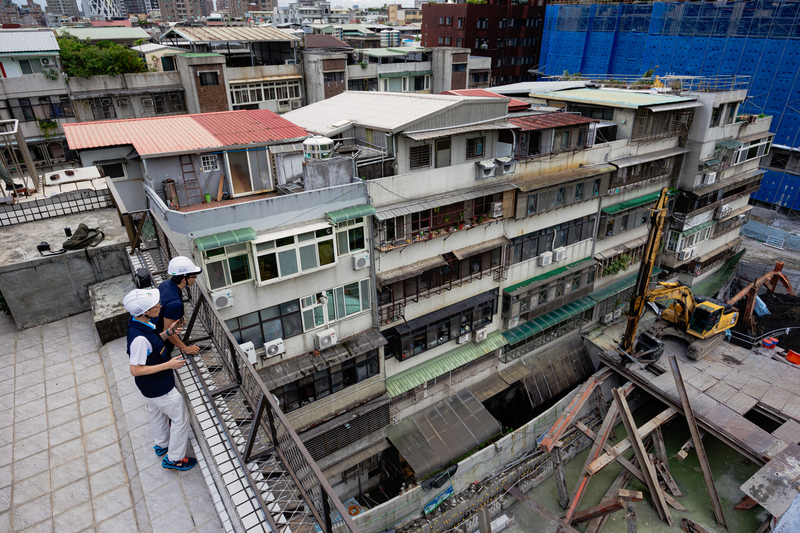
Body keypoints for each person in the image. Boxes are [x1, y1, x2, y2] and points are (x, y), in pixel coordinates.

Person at [123, 289, 197, 471]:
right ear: (145, 312)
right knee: (180, 417)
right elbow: (135, 369)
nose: (160, 306)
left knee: (155, 412)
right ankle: (174, 459)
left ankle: (162, 444)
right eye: (155, 306)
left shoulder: (140, 324)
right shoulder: (139, 339)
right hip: (159, 387)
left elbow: (154, 342)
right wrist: (168, 365)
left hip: (149, 388)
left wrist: (168, 332)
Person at [157, 256, 202, 357]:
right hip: (160, 344)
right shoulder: (175, 303)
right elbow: (168, 331)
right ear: (183, 279)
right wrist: (185, 349)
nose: (195, 279)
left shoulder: (165, 284)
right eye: (193, 276)